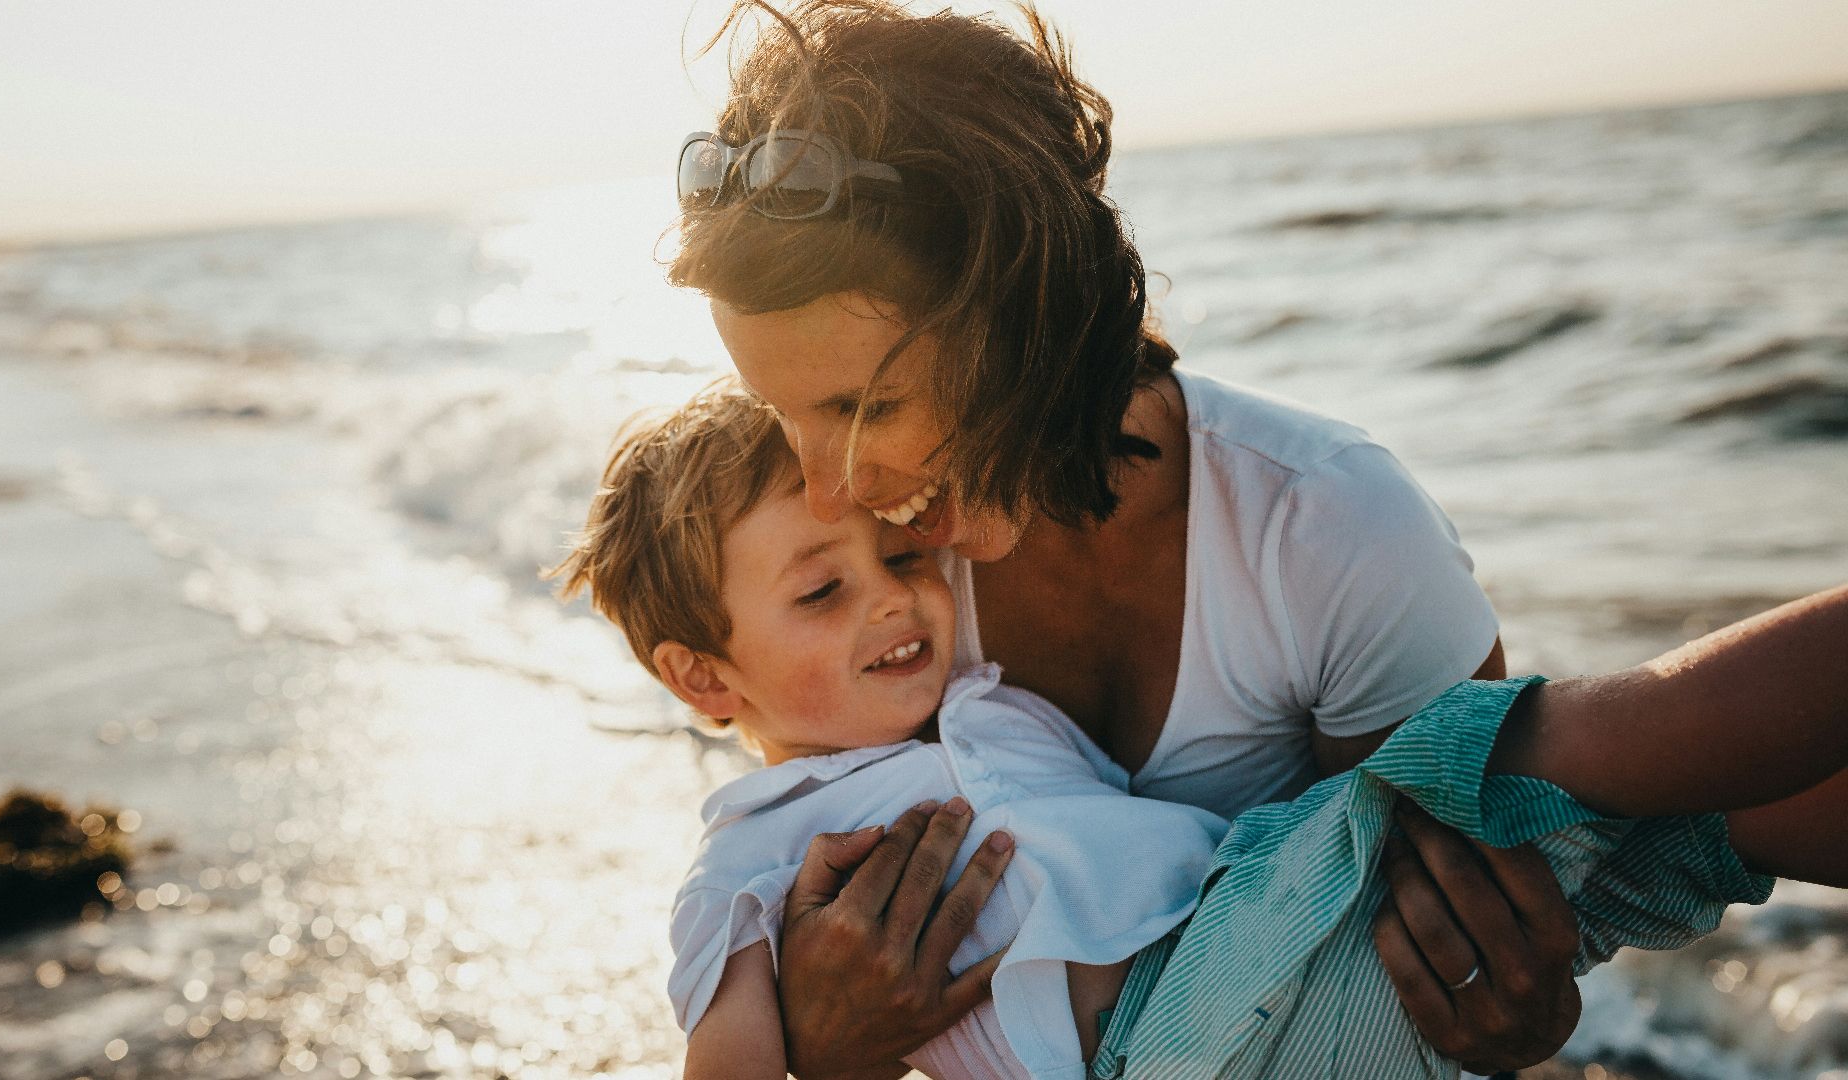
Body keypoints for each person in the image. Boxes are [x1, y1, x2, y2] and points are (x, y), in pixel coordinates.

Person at [669, 2, 1580, 1074]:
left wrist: (1525, 1017)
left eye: (865, 408)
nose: (829, 489)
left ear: (1025, 316)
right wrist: (823, 1051)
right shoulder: (870, 586)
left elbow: (1458, 947)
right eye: (783, 410)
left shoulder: (1326, 531)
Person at [549, 385, 1848, 1079]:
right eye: (823, 591)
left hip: (1287, 970)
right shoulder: (752, 857)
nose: (896, 595)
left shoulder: (990, 700)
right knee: (1560, 750)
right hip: (1179, 1039)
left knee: (1685, 825)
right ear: (705, 678)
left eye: (899, 551)